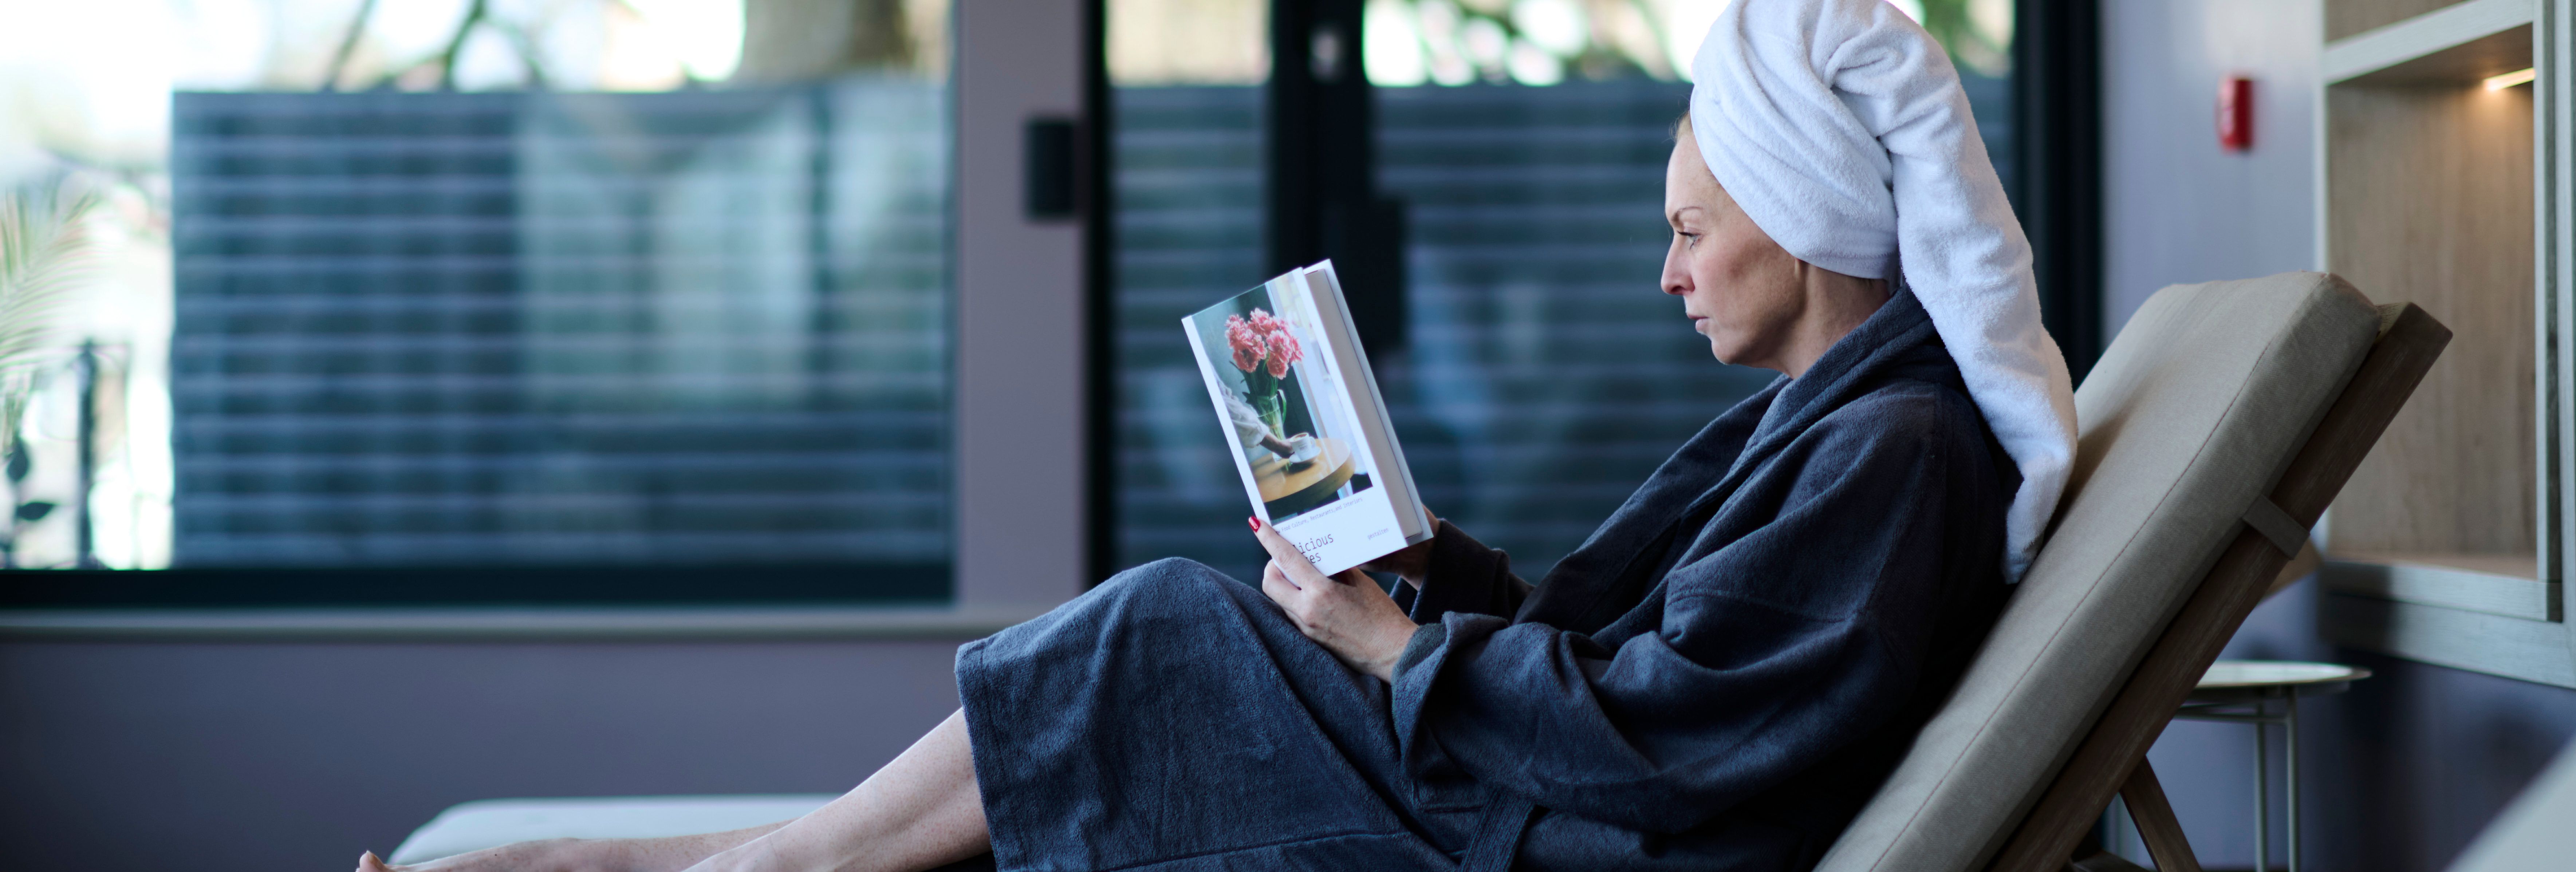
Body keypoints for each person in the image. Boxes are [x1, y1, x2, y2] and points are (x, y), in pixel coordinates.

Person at [358, 0, 2075, 869]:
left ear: (1802, 219)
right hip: (1551, 792)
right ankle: (757, 858)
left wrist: (1393, 642)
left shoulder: (1890, 451)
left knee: (1165, 626)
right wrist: (1409, 559)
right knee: (1163, 639)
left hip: (1584, 845)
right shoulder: (1826, 425)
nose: (1665, 272)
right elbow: (1609, 642)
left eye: (1691, 231)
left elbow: (1687, 750)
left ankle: (759, 862)